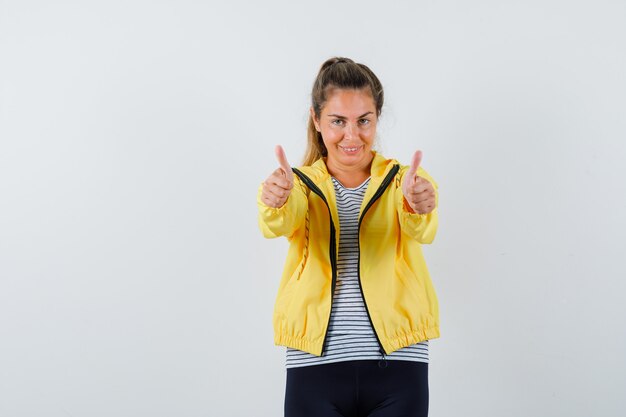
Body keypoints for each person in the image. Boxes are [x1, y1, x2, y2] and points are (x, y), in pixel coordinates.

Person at [257, 57, 440, 417]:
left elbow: (422, 226)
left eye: (364, 121)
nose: (352, 135)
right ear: (316, 119)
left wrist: (420, 205)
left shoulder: (406, 181)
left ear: (376, 119)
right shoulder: (298, 184)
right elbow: (278, 221)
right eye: (338, 121)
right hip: (314, 368)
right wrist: (275, 200)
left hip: (399, 365)